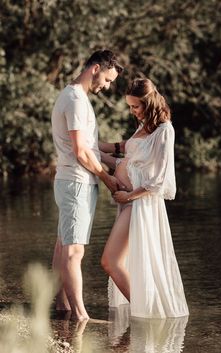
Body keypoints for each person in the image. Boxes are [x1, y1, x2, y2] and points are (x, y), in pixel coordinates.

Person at [100, 78, 189, 318]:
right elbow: (125, 153)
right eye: (130, 106)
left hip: (140, 204)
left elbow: (159, 180)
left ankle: (146, 314)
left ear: (149, 103)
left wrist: (128, 196)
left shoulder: (164, 131)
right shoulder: (143, 127)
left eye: (136, 106)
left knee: (110, 261)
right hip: (129, 203)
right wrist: (93, 150)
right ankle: (143, 314)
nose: (132, 111)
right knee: (120, 263)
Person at [51, 49, 123, 321]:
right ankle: (81, 315)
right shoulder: (77, 101)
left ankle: (62, 306)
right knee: (74, 251)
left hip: (70, 181)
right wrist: (106, 178)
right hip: (77, 182)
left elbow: (88, 147)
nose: (106, 86)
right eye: (107, 79)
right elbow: (82, 153)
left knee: (63, 245)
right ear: (96, 68)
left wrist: (118, 158)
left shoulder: (72, 95)